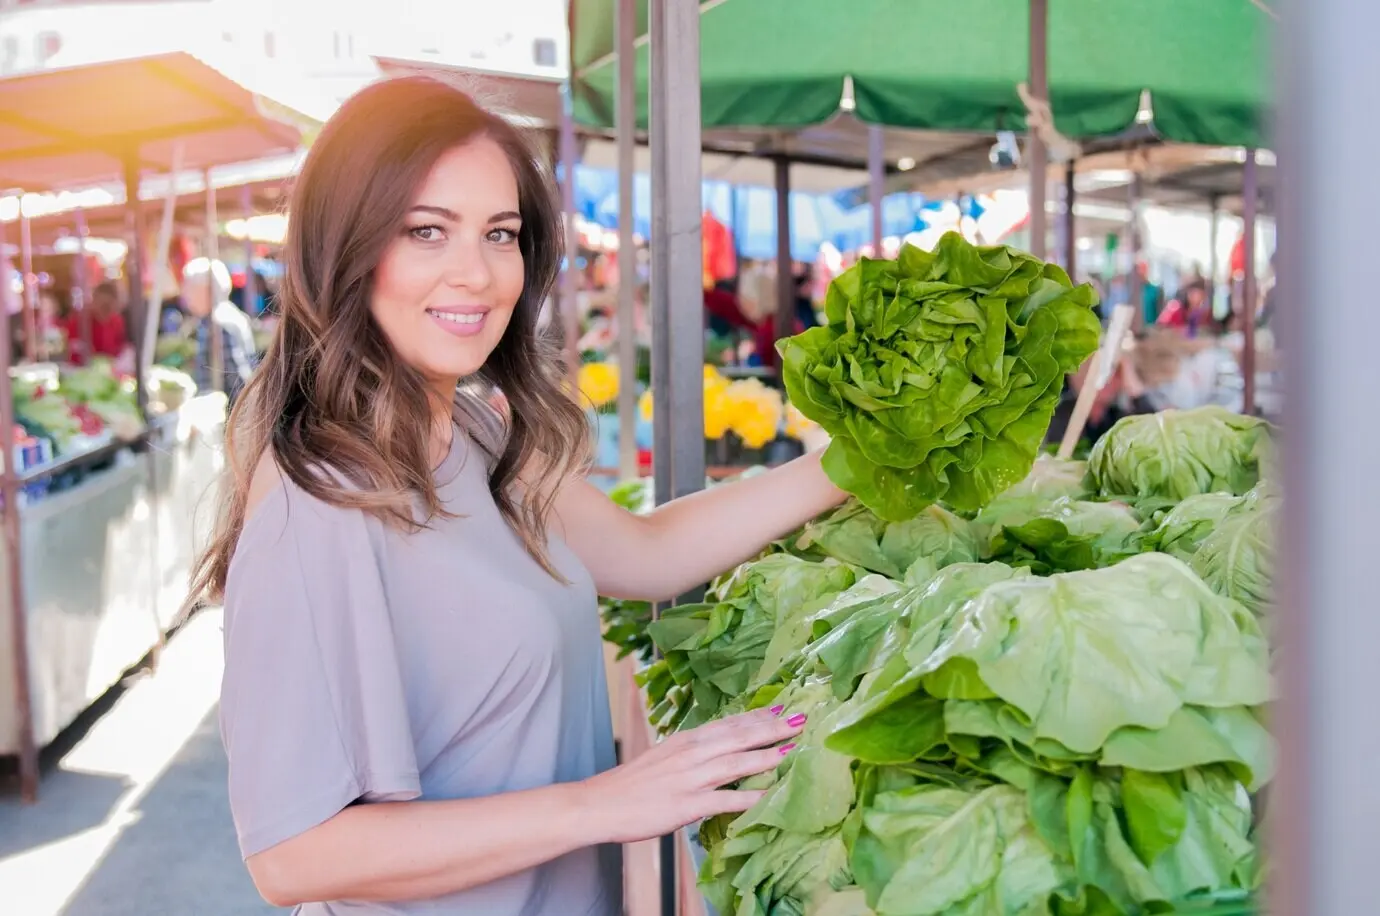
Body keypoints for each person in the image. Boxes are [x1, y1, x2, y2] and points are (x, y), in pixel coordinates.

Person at [187, 76, 847, 916]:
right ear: (345, 248)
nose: (478, 273)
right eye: (426, 231)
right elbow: (291, 852)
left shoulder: (476, 434)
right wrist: (605, 802)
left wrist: (848, 466)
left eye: (500, 233)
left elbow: (648, 555)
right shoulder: (318, 491)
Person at [181, 257, 258, 404]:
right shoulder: (221, 316)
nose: (186, 294)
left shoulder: (219, 323)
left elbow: (237, 379)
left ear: (206, 290)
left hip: (225, 415)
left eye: (190, 288)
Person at [62, 281, 130, 366]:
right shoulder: (79, 321)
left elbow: (120, 348)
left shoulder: (117, 322)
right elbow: (72, 348)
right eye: (103, 306)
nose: (105, 311)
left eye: (110, 307)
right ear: (94, 300)